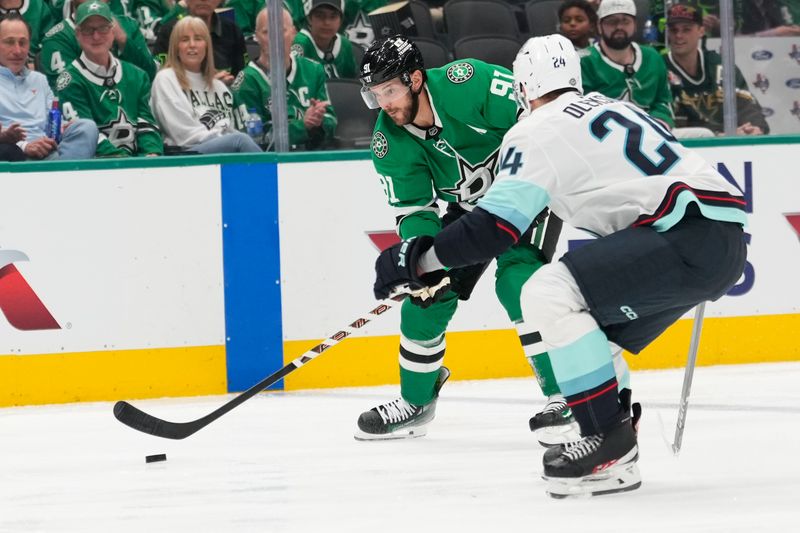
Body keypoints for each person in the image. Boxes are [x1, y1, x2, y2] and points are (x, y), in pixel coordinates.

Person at [371, 34, 747, 497]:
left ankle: (605, 441)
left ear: (524, 87)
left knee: (545, 292)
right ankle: (614, 433)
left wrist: (419, 259)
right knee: (590, 329)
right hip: (720, 234)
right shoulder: (613, 107)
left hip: (682, 233)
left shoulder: (534, 129)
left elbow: (494, 230)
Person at [355, 36, 578, 444]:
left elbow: (538, 117)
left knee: (518, 282)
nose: (383, 103)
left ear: (416, 79)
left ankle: (563, 396)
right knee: (427, 294)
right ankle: (416, 402)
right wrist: (419, 257)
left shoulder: (468, 81)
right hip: (475, 212)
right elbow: (416, 210)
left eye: (389, 90)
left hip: (530, 191)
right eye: (375, 94)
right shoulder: (388, 142)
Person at [57, 1, 163, 157]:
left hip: (140, 165)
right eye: (88, 30)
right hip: (97, 169)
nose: (96, 36)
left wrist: (151, 154)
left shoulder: (137, 75)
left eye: (103, 28)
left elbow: (146, 124)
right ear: (77, 34)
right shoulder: (69, 80)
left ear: (113, 32)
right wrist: (125, 162)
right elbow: (86, 137)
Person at [149, 16, 260, 154]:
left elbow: (229, 128)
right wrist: (224, 138)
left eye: (198, 39)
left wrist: (226, 138)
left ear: (207, 46)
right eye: (184, 40)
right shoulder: (166, 79)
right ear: (176, 47)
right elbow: (183, 134)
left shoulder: (219, 87)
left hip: (221, 150)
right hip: (184, 152)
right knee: (240, 141)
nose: (192, 45)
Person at [232, 8, 336, 151]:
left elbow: (332, 120)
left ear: (294, 33)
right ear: (256, 37)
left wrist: (318, 121)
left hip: (313, 159)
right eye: (267, 32)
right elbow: (253, 140)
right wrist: (302, 126)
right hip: (270, 165)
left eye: (281, 31)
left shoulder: (313, 70)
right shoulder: (246, 82)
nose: (275, 38)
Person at [0, 12, 98, 160]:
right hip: (12, 151)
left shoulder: (39, 80)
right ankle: (63, 173)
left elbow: (51, 121)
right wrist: (24, 146)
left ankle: (61, 171)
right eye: (9, 42)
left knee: (87, 127)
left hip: (46, 148)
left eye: (23, 42)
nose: (18, 51)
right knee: (9, 151)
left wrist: (62, 126)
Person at [664, 1, 769, 136]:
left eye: (686, 29)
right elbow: (673, 124)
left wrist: (754, 127)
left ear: (701, 31)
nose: (678, 35)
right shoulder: (661, 69)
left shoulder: (720, 65)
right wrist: (720, 134)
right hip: (685, 149)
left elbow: (746, 103)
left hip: (729, 145)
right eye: (674, 30)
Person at [581, 0, 674, 128]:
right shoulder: (584, 60)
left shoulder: (653, 57)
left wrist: (656, 125)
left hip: (650, 136)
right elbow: (581, 110)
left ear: (635, 24)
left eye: (625, 21)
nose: (619, 27)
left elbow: (664, 101)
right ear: (599, 26)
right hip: (602, 137)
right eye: (612, 21)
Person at [40, 0, 157, 90]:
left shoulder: (129, 25)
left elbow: (150, 74)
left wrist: (123, 40)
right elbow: (65, 89)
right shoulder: (58, 38)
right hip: (87, 113)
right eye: (88, 30)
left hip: (132, 109)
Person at [155, 0, 248, 85]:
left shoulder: (232, 31)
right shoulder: (169, 32)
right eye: (185, 39)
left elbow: (242, 79)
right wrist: (211, 85)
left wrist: (227, 87)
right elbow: (161, 82)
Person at [291, 0, 357, 79]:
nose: (327, 22)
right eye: (320, 16)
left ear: (341, 21)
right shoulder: (300, 44)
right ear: (309, 19)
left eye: (333, 16)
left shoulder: (345, 45)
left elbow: (352, 83)